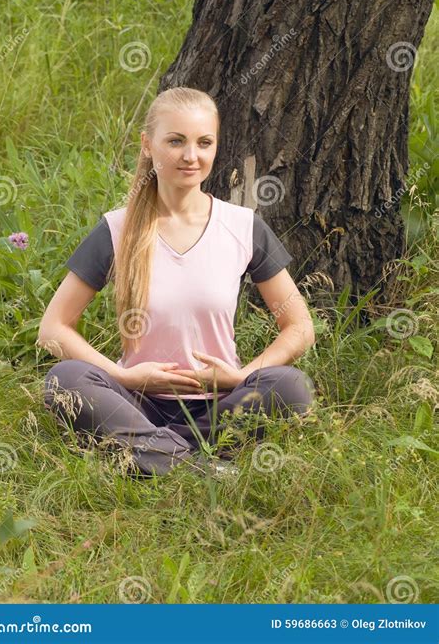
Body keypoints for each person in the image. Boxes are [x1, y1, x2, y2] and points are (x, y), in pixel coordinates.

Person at [38, 87, 316, 478]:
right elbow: (52, 328)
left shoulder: (242, 226)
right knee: (64, 380)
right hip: (135, 401)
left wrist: (241, 376)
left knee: (292, 387)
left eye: (204, 142)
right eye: (176, 141)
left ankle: (151, 453)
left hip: (220, 405)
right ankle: (196, 465)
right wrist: (124, 377)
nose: (191, 156)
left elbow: (300, 327)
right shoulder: (116, 229)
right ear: (148, 145)